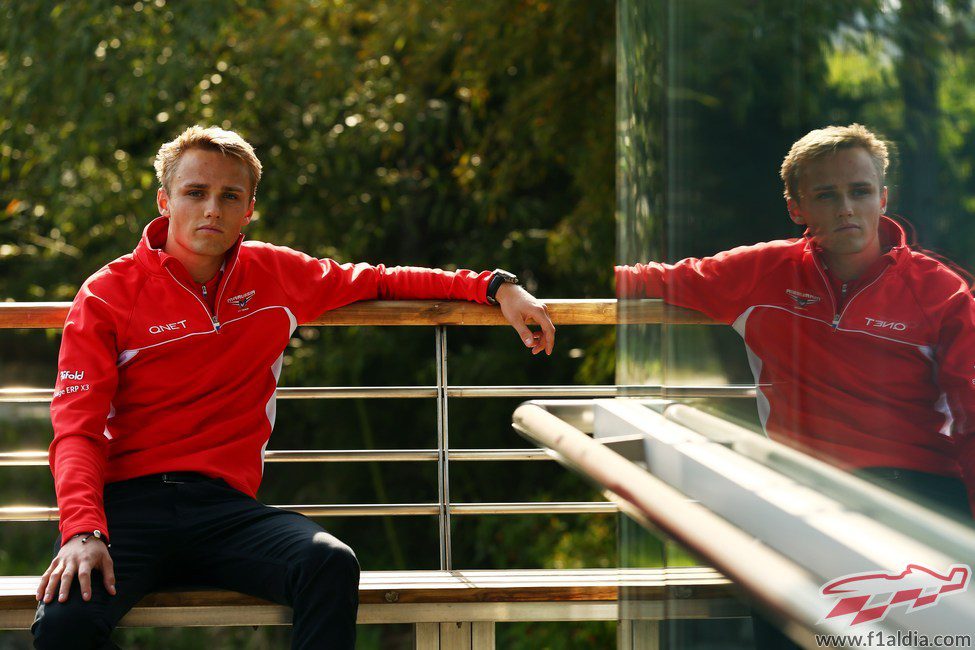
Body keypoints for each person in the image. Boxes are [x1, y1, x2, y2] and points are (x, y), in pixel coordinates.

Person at [32, 125, 556, 649]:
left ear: (249, 210)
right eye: (195, 193)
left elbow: (379, 280)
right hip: (124, 512)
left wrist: (495, 286)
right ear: (165, 200)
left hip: (223, 508)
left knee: (327, 562)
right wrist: (83, 531)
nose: (212, 209)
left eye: (229, 196)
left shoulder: (275, 273)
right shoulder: (107, 293)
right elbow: (76, 430)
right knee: (63, 625)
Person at [616, 123, 975, 645]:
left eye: (860, 192)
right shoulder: (761, 271)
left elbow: (971, 412)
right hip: (805, 489)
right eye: (826, 196)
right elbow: (640, 278)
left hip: (918, 493)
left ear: (883, 198)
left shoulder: (939, 291)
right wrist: (507, 290)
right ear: (797, 207)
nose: (846, 209)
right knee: (783, 619)